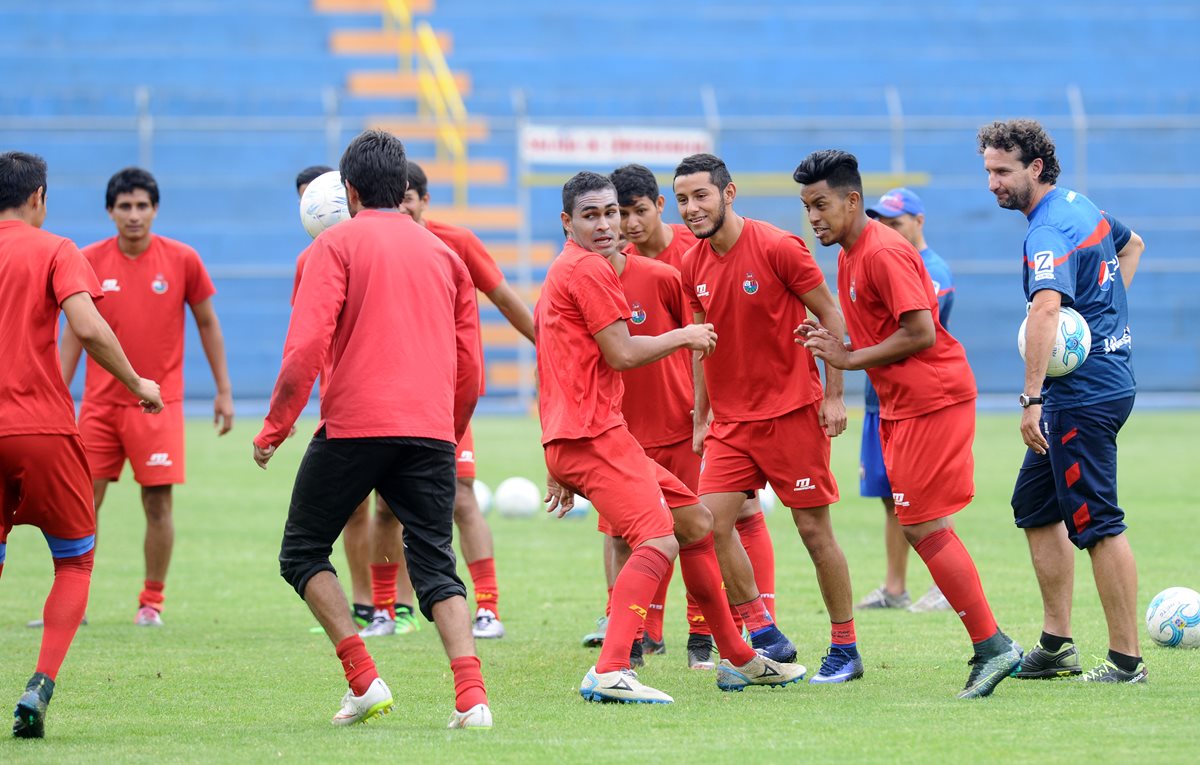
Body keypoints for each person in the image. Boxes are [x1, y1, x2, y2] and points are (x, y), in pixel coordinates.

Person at [539, 171, 805, 703]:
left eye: (611, 212)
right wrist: (684, 335)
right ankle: (613, 667)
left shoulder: (575, 269)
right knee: (656, 538)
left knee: (696, 521)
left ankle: (740, 658)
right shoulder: (588, 269)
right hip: (593, 436)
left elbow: (555, 364)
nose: (607, 224)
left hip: (591, 434)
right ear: (567, 222)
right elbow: (621, 353)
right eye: (591, 215)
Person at [254, 130, 491, 727]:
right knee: (437, 565)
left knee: (302, 552)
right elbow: (473, 369)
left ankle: (364, 681)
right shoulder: (446, 256)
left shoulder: (332, 247)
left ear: (351, 191)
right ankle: (472, 699)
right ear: (403, 188)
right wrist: (447, 429)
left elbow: (305, 347)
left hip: (354, 427)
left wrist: (276, 428)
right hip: (432, 431)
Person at [795, 149, 1023, 699]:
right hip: (901, 403)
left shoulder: (882, 251)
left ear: (853, 201)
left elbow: (920, 332)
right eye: (806, 207)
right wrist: (841, 347)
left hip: (933, 399)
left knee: (923, 525)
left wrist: (848, 358)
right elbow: (879, 334)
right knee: (919, 523)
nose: (814, 217)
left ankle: (993, 646)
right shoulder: (851, 253)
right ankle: (992, 643)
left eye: (821, 204)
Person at [673, 153, 863, 684]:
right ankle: (764, 632)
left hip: (791, 413)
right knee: (706, 526)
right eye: (684, 199)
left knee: (812, 530)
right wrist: (701, 414)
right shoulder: (691, 264)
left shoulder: (778, 247)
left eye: (701, 196)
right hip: (732, 424)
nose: (692, 208)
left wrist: (834, 396)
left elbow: (831, 315)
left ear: (728, 194)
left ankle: (846, 647)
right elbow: (702, 344)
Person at [581, 164, 775, 672]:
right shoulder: (595, 273)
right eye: (614, 215)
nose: (626, 224)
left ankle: (711, 633)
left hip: (686, 423)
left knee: (712, 524)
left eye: (635, 211)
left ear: (659, 206)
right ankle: (633, 631)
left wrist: (707, 411)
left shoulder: (683, 263)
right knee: (623, 532)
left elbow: (705, 336)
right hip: (622, 428)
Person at [2, 151, 164, 738]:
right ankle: (40, 683)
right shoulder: (55, 249)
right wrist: (138, 382)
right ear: (38, 197)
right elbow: (89, 327)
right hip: (41, 427)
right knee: (73, 560)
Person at [979, 119, 1147, 683]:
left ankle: (1127, 660)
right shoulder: (1082, 205)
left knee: (1098, 523)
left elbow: (1046, 310)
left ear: (1035, 168)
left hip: (1081, 396)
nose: (993, 183)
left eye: (1003, 172)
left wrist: (1031, 398)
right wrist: (1106, 316)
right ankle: (1057, 645)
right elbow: (1132, 245)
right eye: (988, 171)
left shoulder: (1047, 230)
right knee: (1035, 505)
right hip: (1103, 380)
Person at [358, 161, 537, 640]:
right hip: (388, 397)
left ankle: (488, 609)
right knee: (386, 508)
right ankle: (386, 611)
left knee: (461, 497)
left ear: (423, 200)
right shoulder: (368, 245)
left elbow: (503, 297)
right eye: (394, 198)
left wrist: (552, 346)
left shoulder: (456, 242)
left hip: (444, 396)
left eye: (409, 197)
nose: (402, 206)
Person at [56, 167, 233, 628]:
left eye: (142, 206)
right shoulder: (86, 259)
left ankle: (151, 602)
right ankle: (73, 604)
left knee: (157, 504)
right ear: (110, 211)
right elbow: (76, 332)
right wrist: (58, 389)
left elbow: (208, 323)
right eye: (125, 206)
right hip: (98, 406)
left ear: (154, 209)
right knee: (81, 503)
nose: (134, 215)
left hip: (157, 404)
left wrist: (224, 391)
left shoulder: (182, 259)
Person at [854, 187, 956, 614]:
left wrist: (850, 350)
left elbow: (914, 332)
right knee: (889, 498)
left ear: (919, 221)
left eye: (896, 223)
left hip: (917, 400)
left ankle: (946, 587)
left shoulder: (932, 271)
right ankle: (895, 588)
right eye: (882, 223)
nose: (887, 230)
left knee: (926, 495)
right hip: (878, 399)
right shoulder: (877, 262)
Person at [294, 164, 376, 630]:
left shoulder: (391, 249)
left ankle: (396, 605)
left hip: (382, 401)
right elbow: (307, 341)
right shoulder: (310, 262)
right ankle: (364, 604)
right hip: (341, 402)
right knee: (351, 509)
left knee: (398, 511)